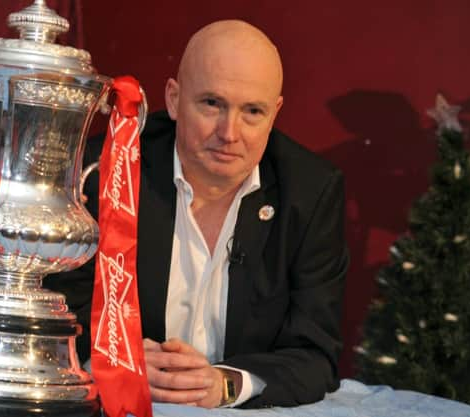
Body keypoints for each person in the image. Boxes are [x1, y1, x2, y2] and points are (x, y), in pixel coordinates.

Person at [47, 19, 349, 409]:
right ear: (173, 99)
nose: (229, 132)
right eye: (212, 103)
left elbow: (315, 354)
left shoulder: (310, 193)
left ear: (275, 113)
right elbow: (56, 313)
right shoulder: (105, 170)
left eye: (252, 111)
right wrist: (113, 361)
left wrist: (224, 384)